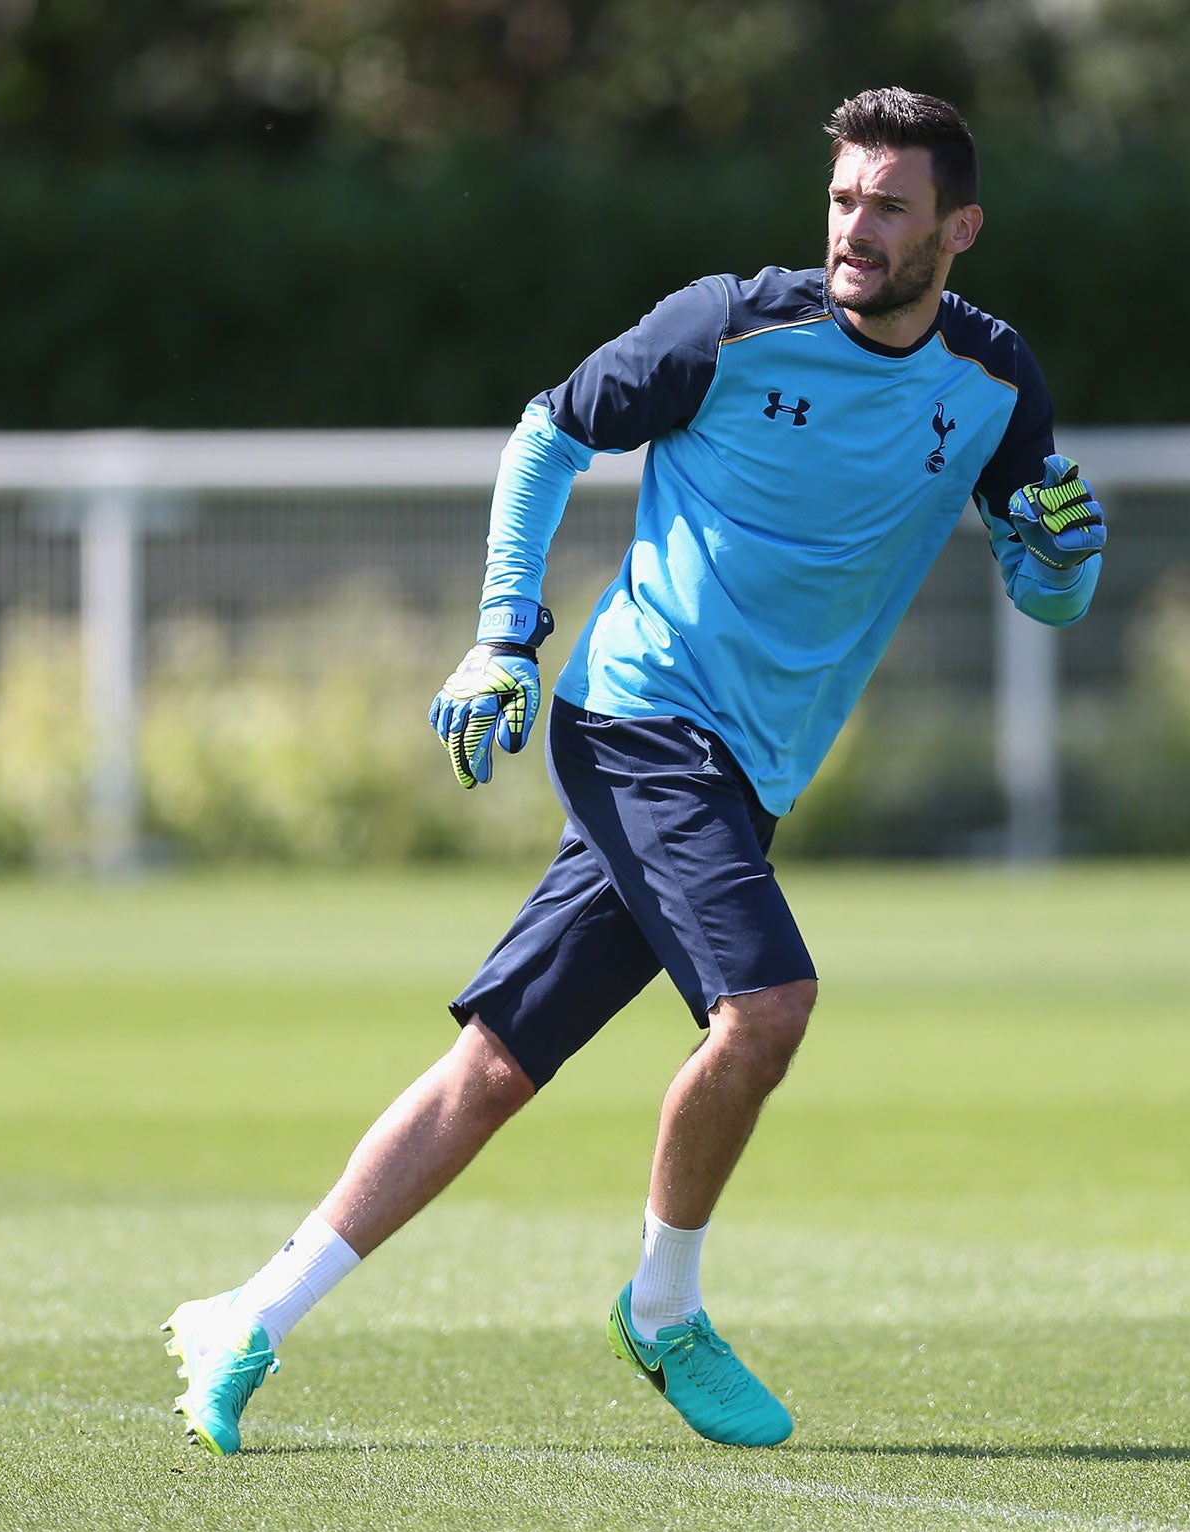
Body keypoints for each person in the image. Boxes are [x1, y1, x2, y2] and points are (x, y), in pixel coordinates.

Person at [161, 84, 1106, 1456]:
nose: (856, 227)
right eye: (843, 197)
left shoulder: (996, 383)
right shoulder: (728, 323)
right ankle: (664, 1309)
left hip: (751, 770)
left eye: (890, 206)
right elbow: (550, 429)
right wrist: (502, 640)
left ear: (959, 228)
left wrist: (1067, 557)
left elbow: (1049, 591)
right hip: (638, 720)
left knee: (495, 1068)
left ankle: (243, 1315)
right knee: (768, 1007)